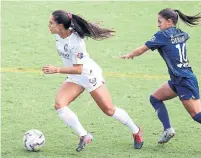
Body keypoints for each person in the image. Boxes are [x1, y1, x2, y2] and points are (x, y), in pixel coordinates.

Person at [42, 10, 143, 152]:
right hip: (75, 77)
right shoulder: (60, 35)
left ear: (60, 26)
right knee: (60, 104)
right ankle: (84, 135)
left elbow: (78, 68)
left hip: (89, 76)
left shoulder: (76, 42)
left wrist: (56, 70)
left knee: (109, 110)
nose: (49, 25)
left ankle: (136, 130)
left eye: (51, 23)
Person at [121, 8, 201, 144]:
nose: (158, 25)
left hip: (183, 81)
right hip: (179, 79)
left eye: (160, 22)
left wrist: (130, 55)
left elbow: (142, 49)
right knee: (155, 98)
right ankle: (167, 130)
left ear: (169, 22)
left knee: (196, 115)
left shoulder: (162, 35)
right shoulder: (181, 33)